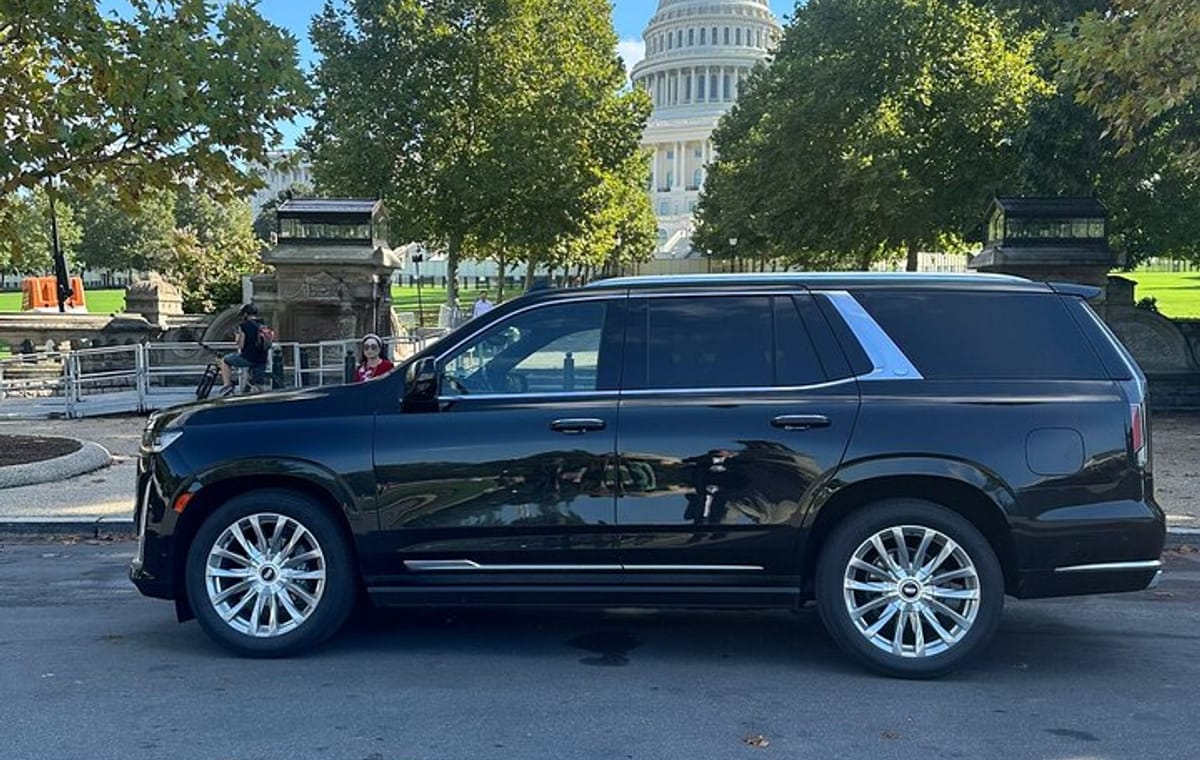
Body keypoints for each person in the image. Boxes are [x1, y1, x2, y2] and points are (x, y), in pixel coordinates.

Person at [219, 303, 268, 396]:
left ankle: (227, 385)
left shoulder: (244, 326)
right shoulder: (263, 325)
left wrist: (237, 337)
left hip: (248, 358)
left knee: (225, 361)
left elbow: (240, 345)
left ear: (245, 314)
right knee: (259, 385)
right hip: (262, 358)